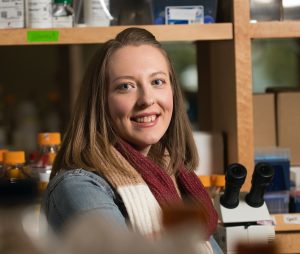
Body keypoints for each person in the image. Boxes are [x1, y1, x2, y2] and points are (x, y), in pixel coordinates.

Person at [42, 27, 222, 253]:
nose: (147, 99)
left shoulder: (175, 180)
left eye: (157, 82)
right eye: (125, 86)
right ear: (100, 102)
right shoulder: (77, 187)